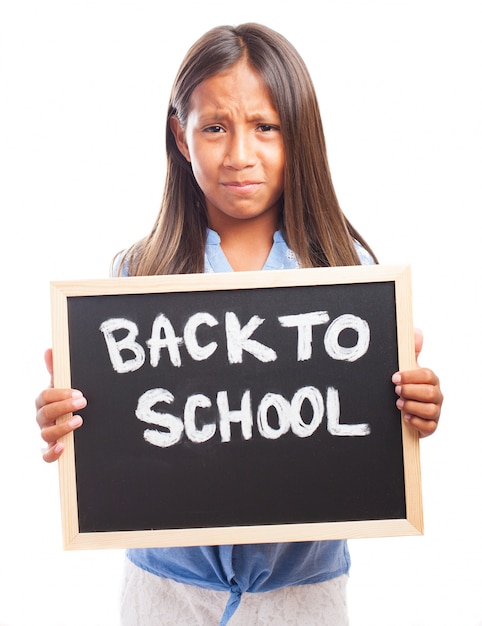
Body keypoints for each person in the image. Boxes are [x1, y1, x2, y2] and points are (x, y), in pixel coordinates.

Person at [35, 22, 443, 626]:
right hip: (165, 595)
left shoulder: (346, 276)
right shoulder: (136, 277)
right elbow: (115, 438)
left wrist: (413, 411)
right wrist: (68, 422)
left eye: (266, 127)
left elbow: (365, 433)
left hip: (305, 598)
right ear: (182, 135)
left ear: (297, 134)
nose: (240, 155)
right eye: (215, 128)